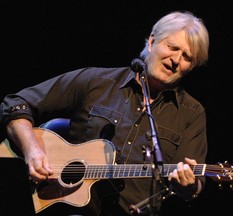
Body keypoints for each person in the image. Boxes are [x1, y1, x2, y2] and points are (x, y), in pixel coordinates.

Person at [0, 10, 209, 216]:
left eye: (187, 57)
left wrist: (189, 186)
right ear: (152, 42)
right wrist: (32, 151)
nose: (175, 60)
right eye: (172, 47)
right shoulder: (97, 82)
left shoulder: (192, 114)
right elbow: (17, 103)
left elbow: (193, 187)